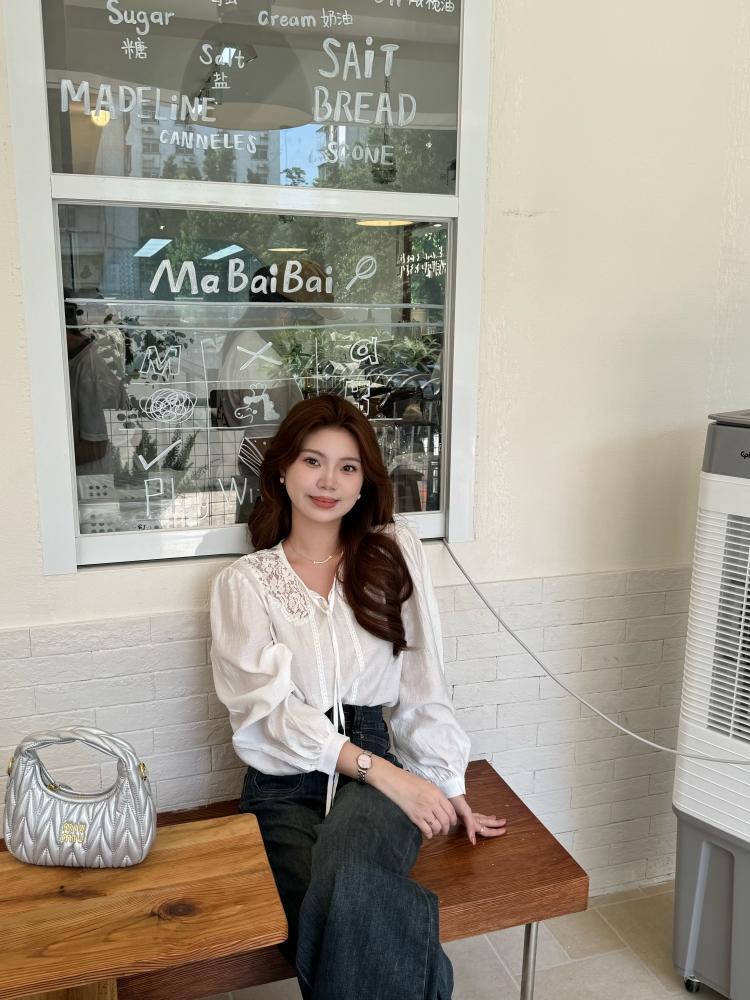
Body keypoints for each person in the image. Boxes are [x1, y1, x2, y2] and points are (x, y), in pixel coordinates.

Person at [210, 395, 506, 1000]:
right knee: (332, 906)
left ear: (364, 479)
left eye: (347, 467)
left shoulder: (392, 551)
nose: (328, 482)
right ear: (282, 469)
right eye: (312, 461)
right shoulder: (245, 583)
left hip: (376, 763)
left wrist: (446, 785)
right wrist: (384, 774)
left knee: (349, 881)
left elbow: (423, 680)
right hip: (283, 781)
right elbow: (264, 713)